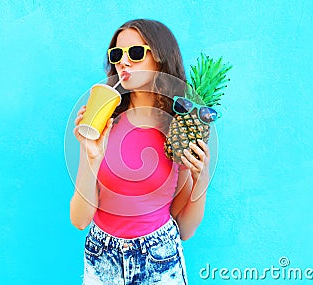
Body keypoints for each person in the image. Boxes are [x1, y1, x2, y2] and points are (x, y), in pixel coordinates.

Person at [70, 19, 210, 285]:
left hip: (159, 258)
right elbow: (79, 219)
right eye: (116, 55)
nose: (123, 62)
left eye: (135, 53)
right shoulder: (103, 122)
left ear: (160, 59)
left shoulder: (178, 129)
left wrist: (200, 179)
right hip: (102, 258)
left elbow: (186, 228)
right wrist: (90, 155)